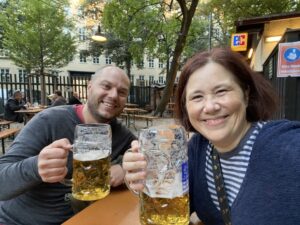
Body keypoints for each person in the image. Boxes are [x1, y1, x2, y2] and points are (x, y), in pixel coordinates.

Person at [122, 48, 300, 225]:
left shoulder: (285, 145)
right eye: (197, 97)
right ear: (186, 107)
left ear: (246, 94)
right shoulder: (197, 149)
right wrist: (139, 178)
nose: (210, 106)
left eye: (221, 91)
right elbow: (172, 211)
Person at [0, 65, 136, 225]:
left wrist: (123, 167)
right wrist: (35, 167)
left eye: (122, 92)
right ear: (89, 87)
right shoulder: (49, 120)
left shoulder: (121, 134)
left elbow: (148, 157)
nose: (113, 95)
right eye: (106, 86)